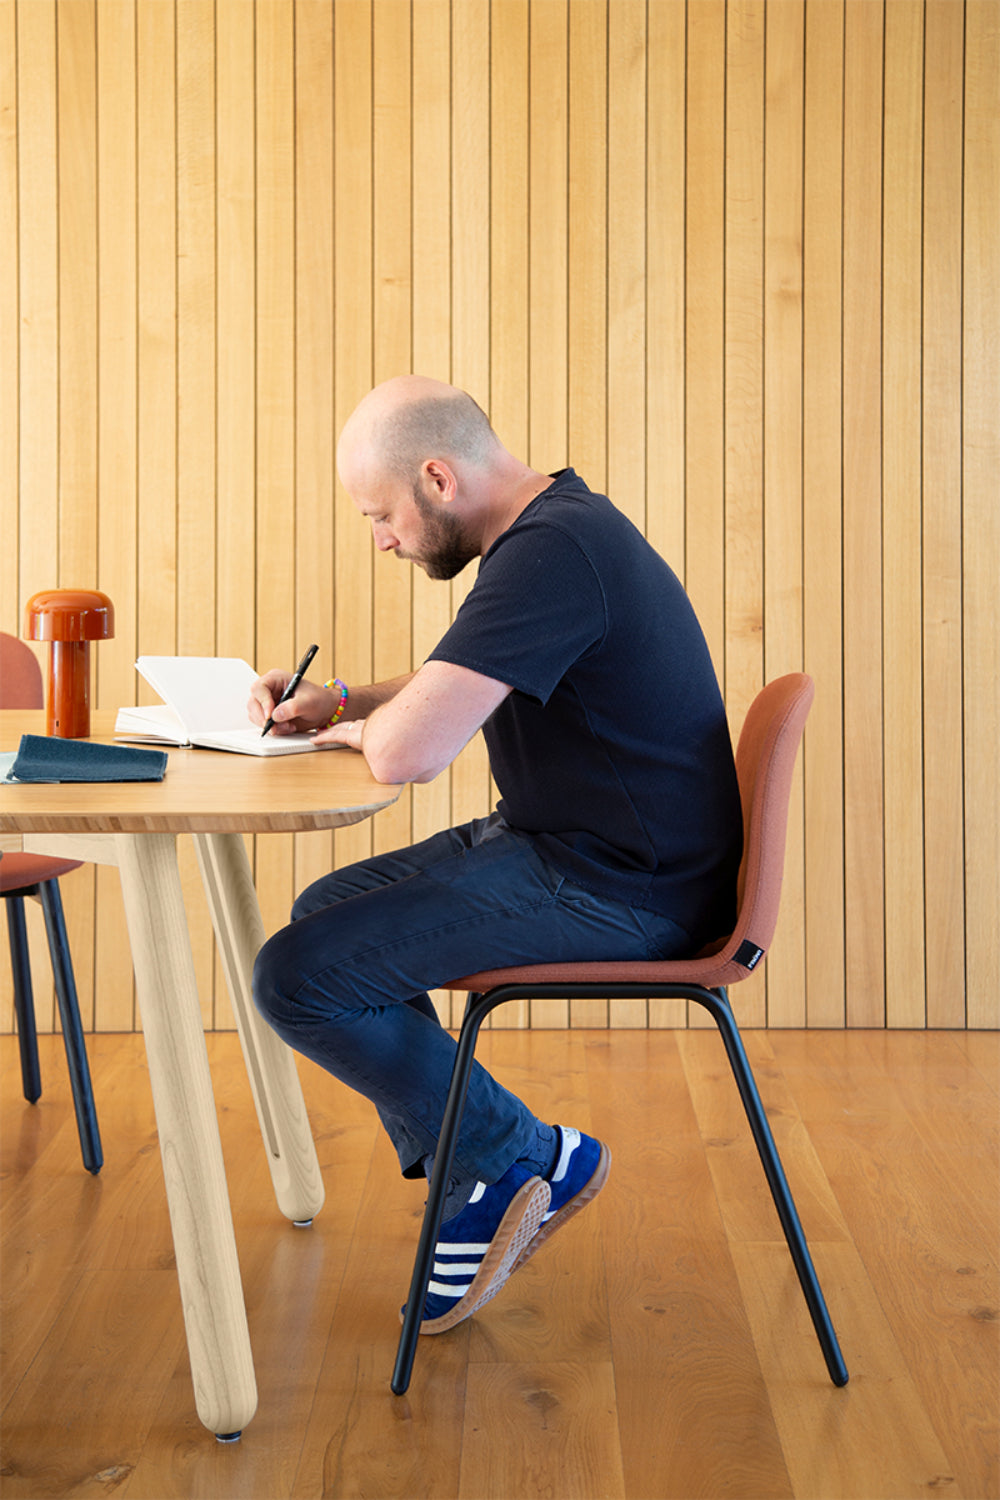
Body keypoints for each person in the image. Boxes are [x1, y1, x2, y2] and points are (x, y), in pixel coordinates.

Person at [249, 374, 742, 1335]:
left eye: (381, 515)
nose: (383, 540)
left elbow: (413, 753)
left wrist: (367, 734)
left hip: (625, 889)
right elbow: (456, 677)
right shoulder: (553, 529)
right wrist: (344, 700)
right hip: (580, 850)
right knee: (322, 919)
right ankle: (499, 1161)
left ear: (437, 476)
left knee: (296, 976)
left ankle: (520, 1157)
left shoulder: (553, 552)